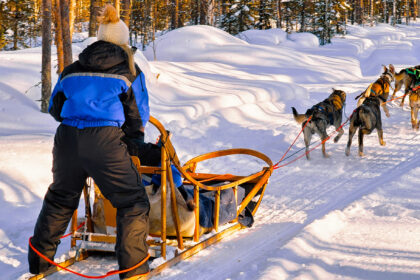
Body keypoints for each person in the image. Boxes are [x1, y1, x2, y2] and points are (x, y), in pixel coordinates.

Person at [28, 5, 150, 279]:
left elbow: (55, 108)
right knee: (132, 201)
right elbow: (138, 115)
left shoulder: (72, 69)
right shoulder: (129, 70)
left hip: (67, 140)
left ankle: (39, 266)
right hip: (106, 142)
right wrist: (132, 142)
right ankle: (134, 271)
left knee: (60, 199)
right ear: (123, 41)